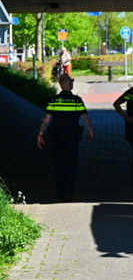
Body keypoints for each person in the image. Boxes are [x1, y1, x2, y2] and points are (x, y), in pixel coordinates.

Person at [37, 74, 94, 202]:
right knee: (71, 165)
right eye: (71, 81)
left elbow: (46, 119)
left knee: (59, 164)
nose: (72, 83)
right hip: (72, 137)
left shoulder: (54, 100)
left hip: (57, 137)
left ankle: (60, 193)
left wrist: (40, 134)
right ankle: (68, 193)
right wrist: (90, 130)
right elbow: (85, 117)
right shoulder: (76, 100)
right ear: (69, 84)